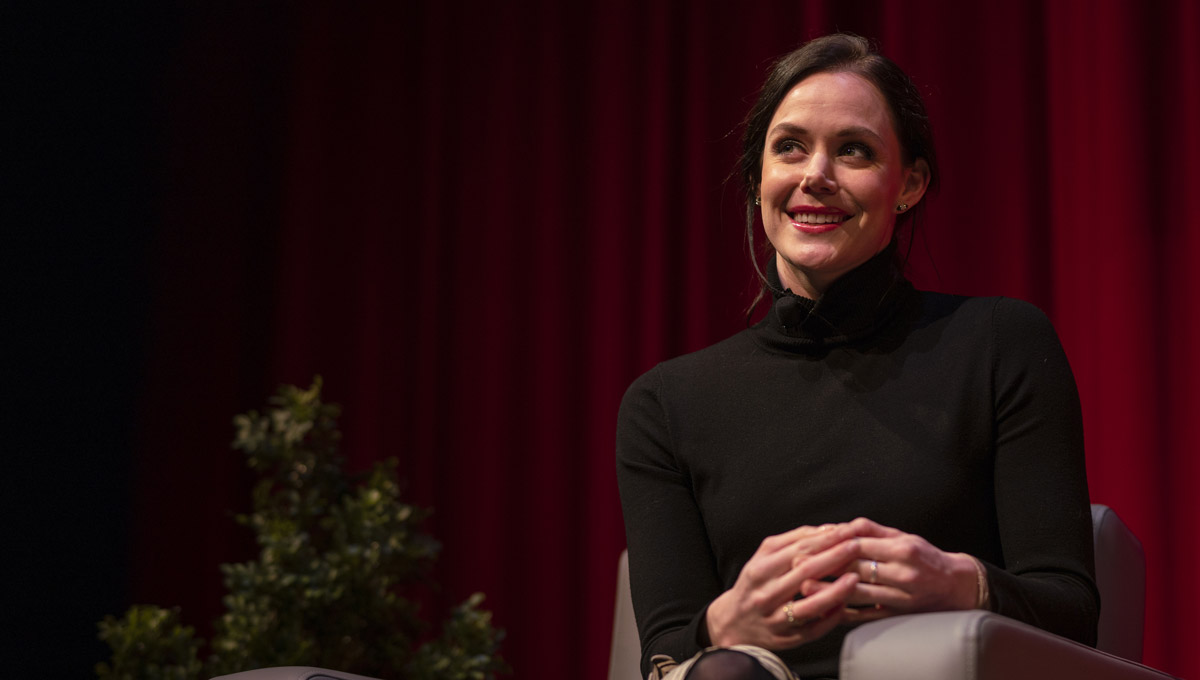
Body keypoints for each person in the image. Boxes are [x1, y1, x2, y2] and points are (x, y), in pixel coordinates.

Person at [615, 33, 1098, 680]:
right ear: (758, 178)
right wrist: (725, 623)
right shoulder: (666, 404)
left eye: (854, 151)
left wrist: (959, 583)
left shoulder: (1000, 342)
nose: (816, 175)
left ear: (910, 184)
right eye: (790, 147)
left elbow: (1072, 614)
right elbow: (665, 653)